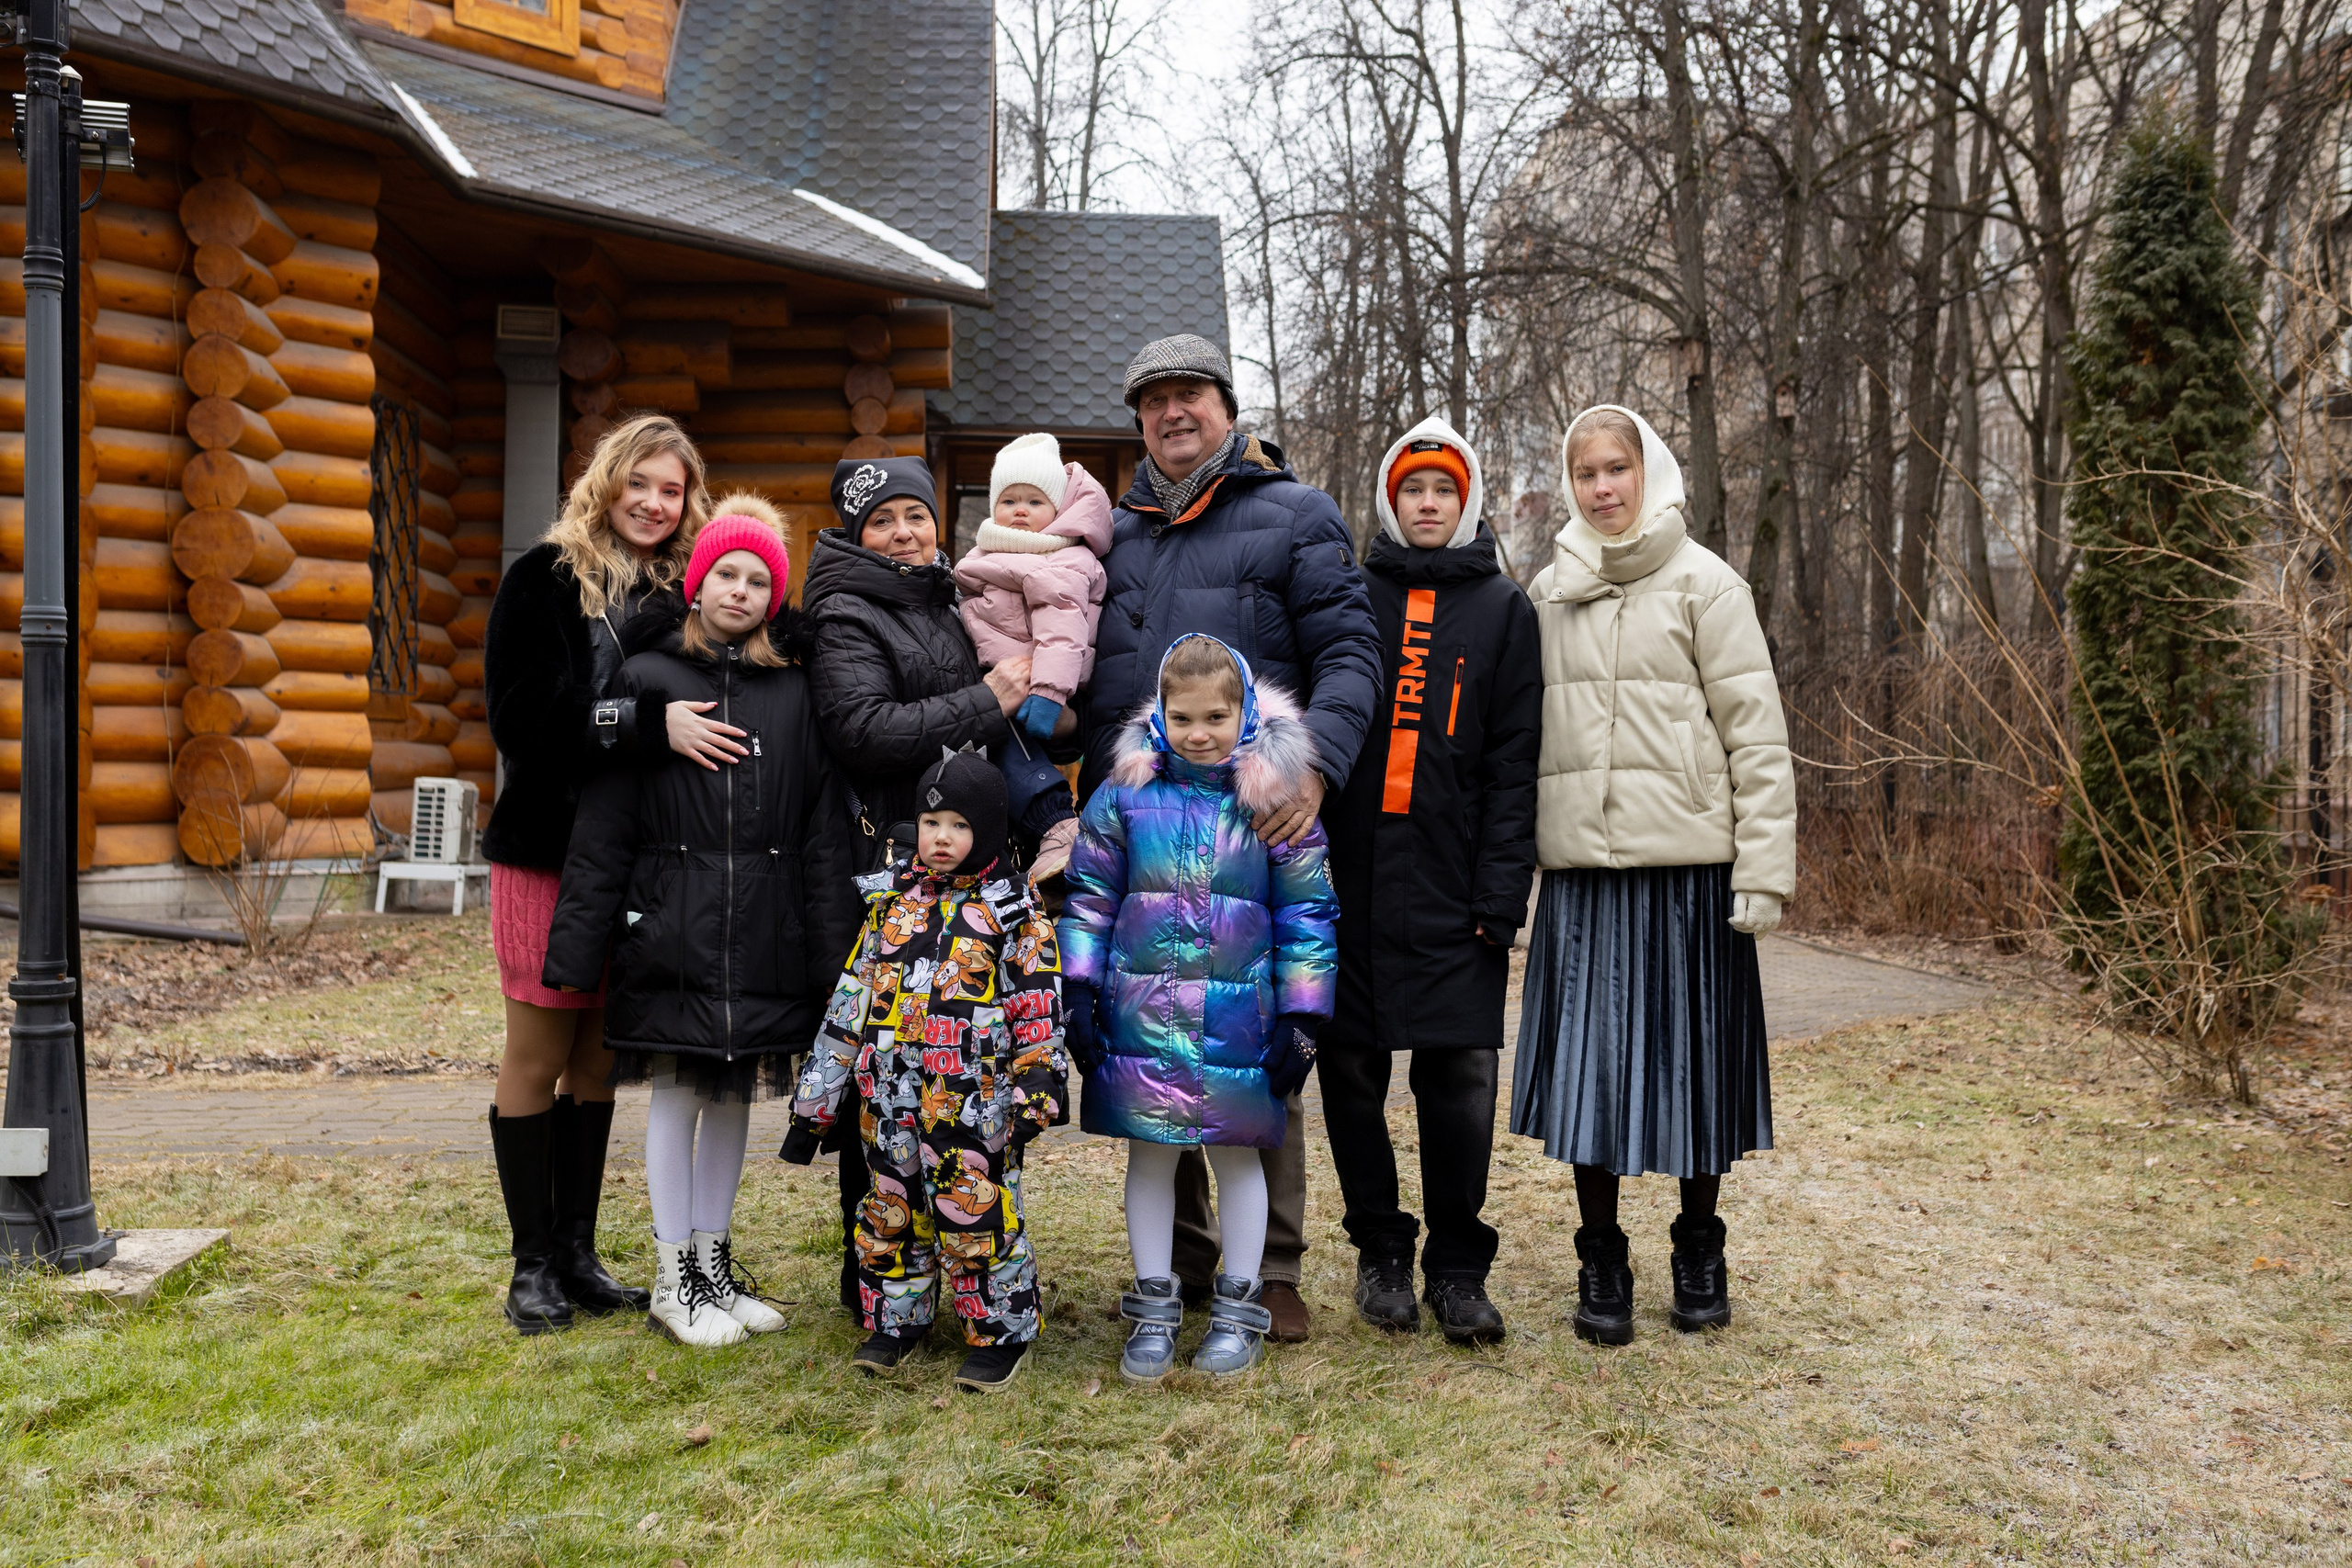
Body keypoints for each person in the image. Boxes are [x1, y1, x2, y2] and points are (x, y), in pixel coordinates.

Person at [1076, 334, 1381, 1343]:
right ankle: (1188, 1271)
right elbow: (1077, 675)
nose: (1172, 413)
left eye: (1189, 395)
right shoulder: (1112, 537)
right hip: (1143, 833)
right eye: (1152, 400)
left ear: (1226, 405)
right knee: (1156, 1040)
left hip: (1256, 823)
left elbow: (1349, 650)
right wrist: (1072, 811)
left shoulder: (1293, 514)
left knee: (1252, 1050)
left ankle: (1273, 1269)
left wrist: (1314, 765)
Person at [542, 496, 857, 1347]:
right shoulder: (650, 680)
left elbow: (822, 834)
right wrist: (579, 942)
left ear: (774, 595)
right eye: (727, 571)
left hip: (765, 932)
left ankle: (713, 1265)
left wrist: (833, 957)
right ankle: (671, 1273)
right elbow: (604, 823)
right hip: (670, 927)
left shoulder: (793, 694)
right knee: (679, 1091)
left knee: (734, 1101)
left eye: (760, 578)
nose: (742, 589)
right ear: (698, 578)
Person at [1513, 405, 1795, 1346]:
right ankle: (1600, 1255)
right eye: (1585, 470)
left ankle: (1698, 1241)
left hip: (1688, 880)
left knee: (1694, 1071)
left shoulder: (1706, 586)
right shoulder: (1547, 593)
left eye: (1616, 469)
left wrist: (1761, 870)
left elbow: (1755, 737)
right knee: (1590, 1077)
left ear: (1649, 474)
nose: (1601, 486)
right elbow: (1519, 744)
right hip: (1586, 882)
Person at [481, 412, 736, 1336]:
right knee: (540, 1053)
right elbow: (522, 725)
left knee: (598, 1061)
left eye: (672, 491)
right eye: (641, 484)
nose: (654, 504)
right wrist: (636, 726)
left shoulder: (685, 601)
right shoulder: (542, 580)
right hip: (545, 853)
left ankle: (581, 1254)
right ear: (607, 481)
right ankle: (530, 1265)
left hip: (637, 861)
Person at [1059, 636, 1339, 1382]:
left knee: (1239, 1157)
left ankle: (1239, 1303)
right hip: (1142, 1018)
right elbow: (1088, 899)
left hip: (1239, 1019)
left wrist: (1304, 1016)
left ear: (1246, 710)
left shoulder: (1273, 800)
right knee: (1150, 1156)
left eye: (1216, 714)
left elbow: (1309, 914)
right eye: (1181, 716)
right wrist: (1079, 988)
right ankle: (1155, 1305)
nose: (1199, 731)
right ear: (1160, 714)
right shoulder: (1124, 795)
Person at [1320, 417, 1541, 1346]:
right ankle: (1380, 1251)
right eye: (1411, 489)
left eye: (1443, 490)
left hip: (1455, 888)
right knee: (1350, 1068)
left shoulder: (1504, 611)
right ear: (1387, 498)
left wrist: (1500, 894)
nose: (1426, 503)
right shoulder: (1348, 596)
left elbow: (1512, 762)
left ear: (1466, 503)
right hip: (1353, 882)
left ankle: (1456, 1266)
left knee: (1460, 1074)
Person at [805, 456, 1036, 1314]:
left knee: (965, 1068)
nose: (905, 532)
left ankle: (970, 1268)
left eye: (917, 514)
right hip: (894, 878)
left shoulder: (942, 596)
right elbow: (862, 730)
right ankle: (875, 1278)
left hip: (968, 874)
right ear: (857, 534)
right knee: (887, 1076)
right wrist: (986, 701)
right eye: (884, 520)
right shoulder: (844, 612)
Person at [781, 751, 1068, 1394]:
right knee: (889, 1207)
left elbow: (1038, 1007)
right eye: (931, 820)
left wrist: (1037, 1088)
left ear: (989, 831)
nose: (941, 837)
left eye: (960, 825)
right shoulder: (889, 906)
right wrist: (815, 1103)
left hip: (975, 1106)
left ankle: (999, 1331)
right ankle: (895, 1319)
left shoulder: (1014, 913)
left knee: (975, 1214)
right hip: (888, 1098)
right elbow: (850, 1002)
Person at [952, 432, 1112, 875]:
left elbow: (1062, 629)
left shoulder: (1061, 559)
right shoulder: (990, 553)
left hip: (1041, 684)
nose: (1020, 510)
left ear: (1058, 511)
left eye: (1035, 502)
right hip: (1006, 677)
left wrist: (1047, 694)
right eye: (1009, 500)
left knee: (1009, 743)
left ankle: (1059, 824)